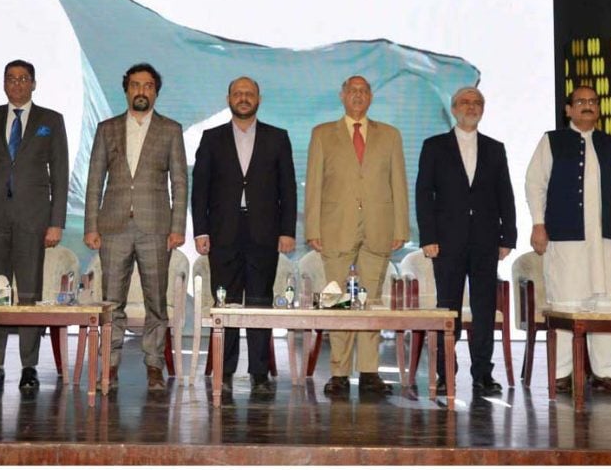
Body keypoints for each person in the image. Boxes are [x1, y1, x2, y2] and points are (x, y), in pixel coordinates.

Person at [0, 59, 69, 392]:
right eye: (11, 79)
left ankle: (29, 366)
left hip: (33, 218)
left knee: (29, 292)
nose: (17, 84)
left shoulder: (50, 121)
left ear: (34, 84)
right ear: (4, 84)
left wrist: (56, 223)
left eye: (24, 79)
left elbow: (60, 176)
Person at [83, 63, 187, 391]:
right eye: (135, 85)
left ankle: (154, 365)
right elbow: (94, 180)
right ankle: (109, 365)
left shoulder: (170, 129)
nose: (141, 91)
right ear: (126, 89)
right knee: (111, 301)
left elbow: (180, 182)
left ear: (156, 92)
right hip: (112, 226)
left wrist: (178, 226)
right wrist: (91, 225)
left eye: (148, 86)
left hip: (156, 226)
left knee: (157, 300)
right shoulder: (107, 128)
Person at [191, 77, 297, 396]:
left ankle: (259, 372)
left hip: (264, 234)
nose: (243, 98)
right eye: (238, 93)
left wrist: (287, 231)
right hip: (222, 235)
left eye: (249, 94)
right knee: (226, 304)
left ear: (259, 99)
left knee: (260, 304)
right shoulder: (211, 138)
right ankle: (224, 370)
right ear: (228, 99)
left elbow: (287, 189)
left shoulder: (278, 138)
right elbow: (200, 190)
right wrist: (200, 230)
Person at [305, 75, 409, 397]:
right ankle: (338, 373)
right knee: (337, 301)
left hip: (378, 228)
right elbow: (314, 185)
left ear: (371, 97)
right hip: (336, 228)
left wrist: (401, 227)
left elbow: (399, 184)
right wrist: (312, 229)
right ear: (342, 95)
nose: (358, 96)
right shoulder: (322, 134)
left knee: (371, 302)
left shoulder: (390, 136)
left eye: (364, 91)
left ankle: (368, 373)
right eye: (353, 91)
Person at [525, 85, 611, 393]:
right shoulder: (552, 141)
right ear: (568, 109)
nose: (587, 106)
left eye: (593, 102)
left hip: (605, 241)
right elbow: (534, 184)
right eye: (581, 102)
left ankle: (606, 372)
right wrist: (538, 225)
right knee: (567, 304)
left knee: (605, 306)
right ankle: (561, 373)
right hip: (566, 239)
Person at [415, 86, 516, 397]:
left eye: (477, 103)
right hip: (446, 242)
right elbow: (423, 194)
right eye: (465, 102)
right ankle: (447, 372)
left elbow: (505, 194)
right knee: (449, 309)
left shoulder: (495, 148)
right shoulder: (434, 146)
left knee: (485, 309)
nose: (472, 107)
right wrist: (428, 237)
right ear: (453, 108)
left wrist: (508, 235)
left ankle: (483, 374)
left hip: (486, 240)